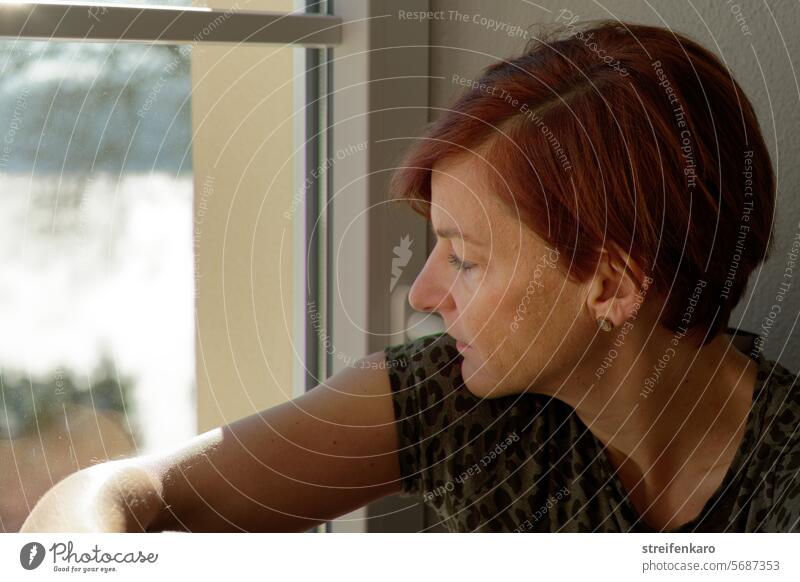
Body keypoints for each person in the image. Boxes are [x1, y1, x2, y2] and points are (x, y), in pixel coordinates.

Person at [21, 20, 799, 533]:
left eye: (464, 257)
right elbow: (123, 493)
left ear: (611, 287)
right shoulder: (461, 400)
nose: (424, 294)